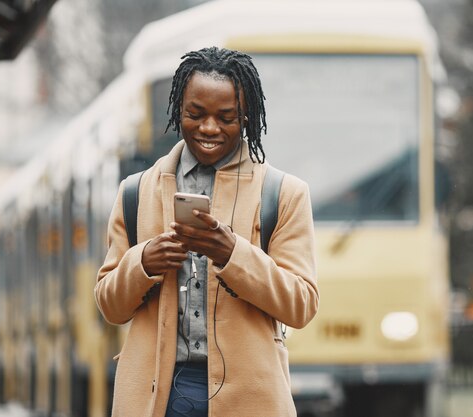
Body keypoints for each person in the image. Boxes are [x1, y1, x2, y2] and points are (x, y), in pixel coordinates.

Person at [95, 47, 319, 417]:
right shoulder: (136, 192)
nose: (209, 128)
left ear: (246, 117)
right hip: (155, 399)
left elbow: (302, 305)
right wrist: (143, 263)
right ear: (177, 112)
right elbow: (109, 306)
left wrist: (233, 255)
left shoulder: (284, 194)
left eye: (226, 117)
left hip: (251, 399)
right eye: (195, 114)